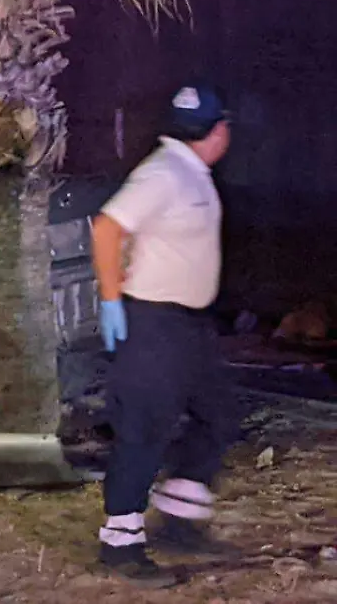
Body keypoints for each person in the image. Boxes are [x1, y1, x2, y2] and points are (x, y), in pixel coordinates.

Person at [90, 82, 239, 587]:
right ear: (217, 131)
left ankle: (180, 512)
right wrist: (111, 300)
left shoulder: (189, 172)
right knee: (144, 431)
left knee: (216, 414)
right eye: (225, 127)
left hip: (188, 326)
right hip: (154, 322)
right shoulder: (164, 173)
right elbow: (108, 228)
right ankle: (121, 544)